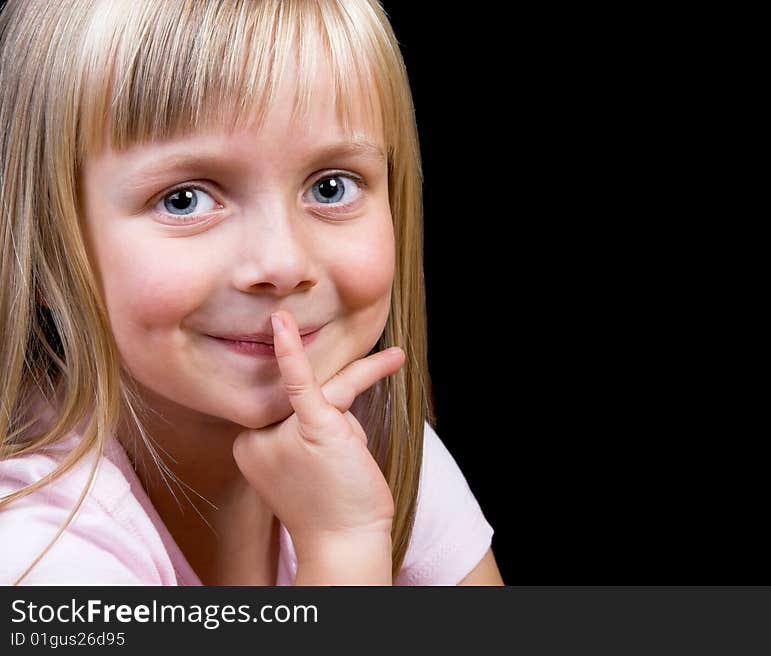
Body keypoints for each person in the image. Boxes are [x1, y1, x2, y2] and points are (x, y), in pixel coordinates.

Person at [0, 0, 502, 586]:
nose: (283, 263)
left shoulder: (366, 440)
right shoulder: (36, 551)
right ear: (43, 244)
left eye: (331, 186)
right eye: (184, 198)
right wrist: (343, 546)